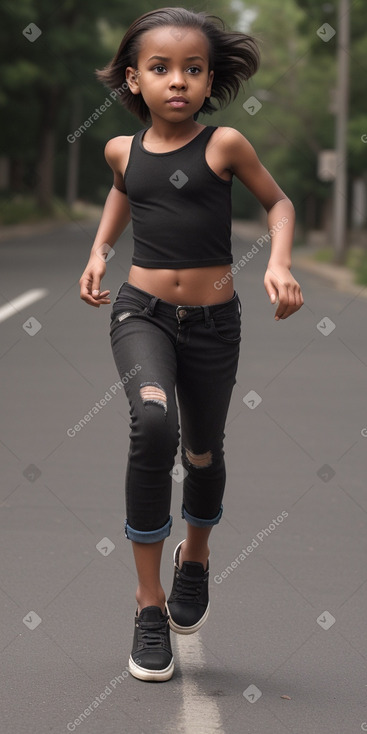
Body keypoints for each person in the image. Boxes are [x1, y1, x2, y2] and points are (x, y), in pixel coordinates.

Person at [79, 6, 304, 683]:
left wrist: (278, 262)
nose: (177, 80)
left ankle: (195, 558)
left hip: (212, 324)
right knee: (152, 424)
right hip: (140, 312)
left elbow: (280, 203)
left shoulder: (224, 145)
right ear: (133, 79)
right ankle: (149, 608)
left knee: (202, 452)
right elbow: (125, 192)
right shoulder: (120, 148)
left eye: (193, 69)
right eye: (160, 68)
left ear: (209, 81)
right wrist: (99, 250)